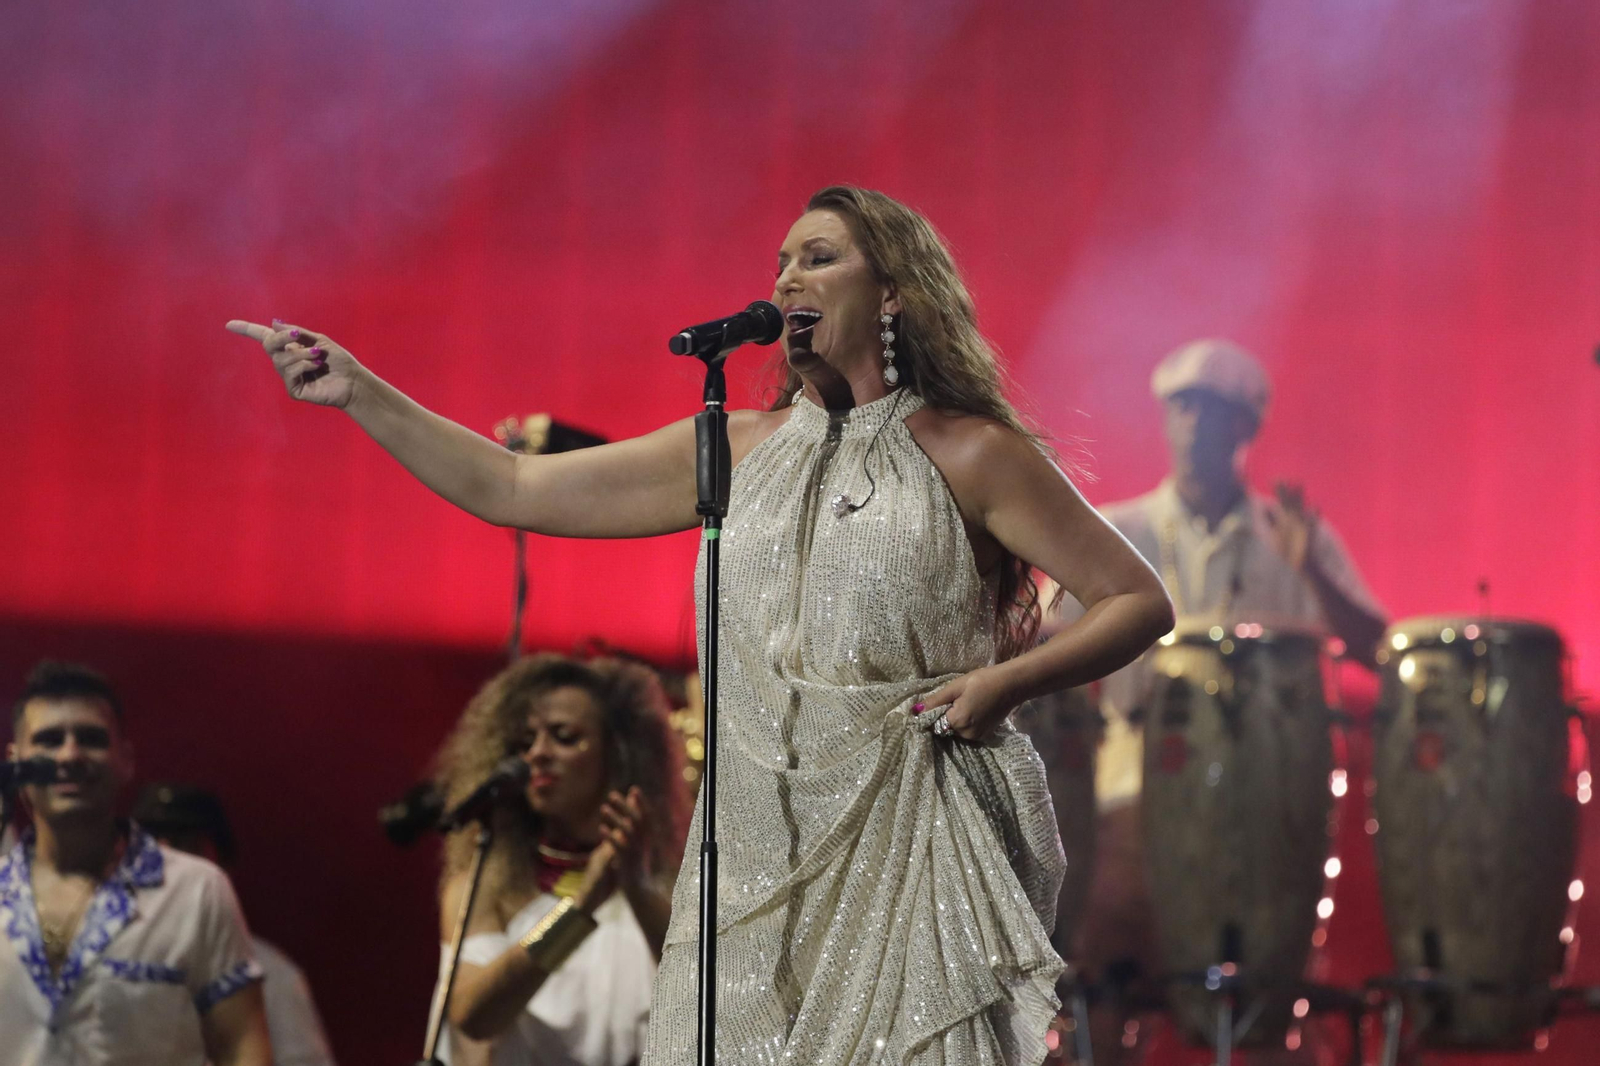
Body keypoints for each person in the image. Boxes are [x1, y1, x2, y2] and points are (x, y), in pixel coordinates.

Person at [226, 184, 1174, 1065]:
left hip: (910, 828)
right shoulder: (732, 449)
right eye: (779, 264)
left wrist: (1004, 684)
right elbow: (513, 484)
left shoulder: (972, 450)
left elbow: (1137, 600)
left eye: (819, 258)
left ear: (892, 294)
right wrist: (359, 392)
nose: (787, 279)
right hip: (756, 841)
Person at [1062, 338, 1387, 1063]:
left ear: (1246, 429)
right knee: (1106, 958)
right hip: (1135, 786)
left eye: (1213, 412)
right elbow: (1039, 639)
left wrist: (1317, 578)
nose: (1193, 426)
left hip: (1266, 805)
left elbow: (1380, 652)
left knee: (1269, 1003)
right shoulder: (1120, 531)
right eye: (1181, 408)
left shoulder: (1291, 535)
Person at [0, 661, 272, 1066]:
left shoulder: (194, 889)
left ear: (125, 759)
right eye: (50, 740)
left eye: (90, 738)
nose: (70, 754)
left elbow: (242, 1046)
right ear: (16, 761)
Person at [429, 654, 687, 1066]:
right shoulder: (482, 882)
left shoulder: (674, 881)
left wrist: (635, 887)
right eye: (523, 743)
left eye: (564, 736)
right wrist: (580, 909)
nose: (538, 754)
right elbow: (473, 1016)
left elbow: (708, 996)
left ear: (618, 753)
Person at [132, 783, 339, 1066]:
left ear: (221, 861)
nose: (168, 861)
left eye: (184, 843)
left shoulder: (271, 973)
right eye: (152, 844)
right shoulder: (103, 956)